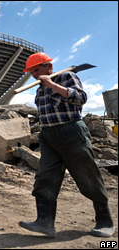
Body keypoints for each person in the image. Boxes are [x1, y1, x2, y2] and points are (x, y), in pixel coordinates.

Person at [18, 52, 115, 238]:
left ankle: (105, 221)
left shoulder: (66, 76)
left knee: (88, 176)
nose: (34, 75)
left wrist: (53, 85)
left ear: (49, 67)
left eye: (37, 69)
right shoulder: (39, 88)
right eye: (31, 72)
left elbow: (81, 98)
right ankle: (45, 222)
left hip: (71, 132)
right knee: (45, 177)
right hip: (48, 136)